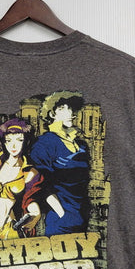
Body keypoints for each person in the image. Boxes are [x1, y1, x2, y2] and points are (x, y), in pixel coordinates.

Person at [30, 91, 91, 236]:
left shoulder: (81, 145)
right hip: (60, 220)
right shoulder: (44, 144)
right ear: (52, 114)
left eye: (71, 108)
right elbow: (42, 185)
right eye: (62, 108)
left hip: (82, 217)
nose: (69, 113)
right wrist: (62, 214)